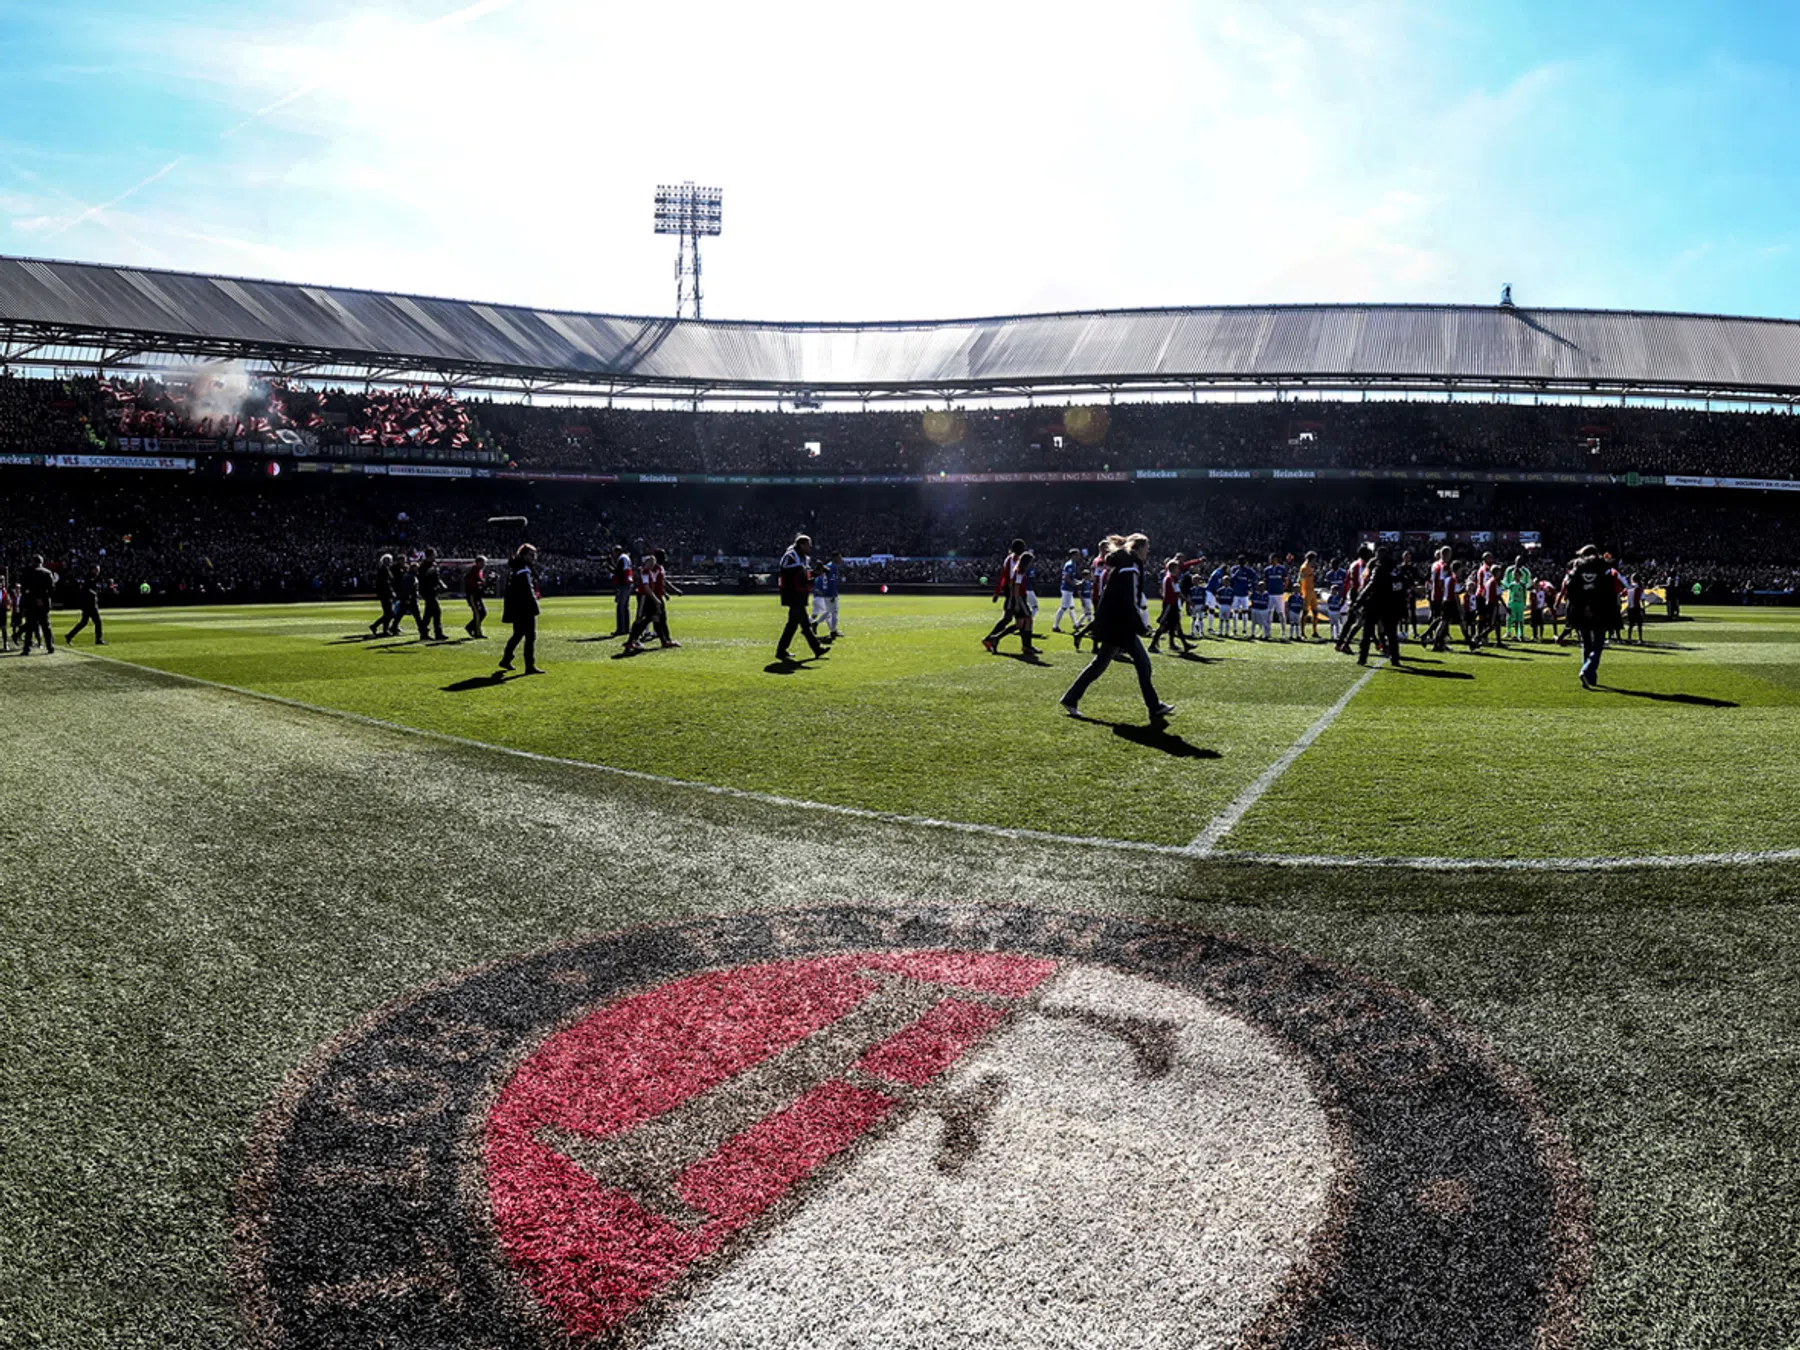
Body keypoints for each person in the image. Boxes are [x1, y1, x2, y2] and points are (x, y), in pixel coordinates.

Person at [1059, 535, 1174, 724]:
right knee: (1142, 663)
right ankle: (1154, 706)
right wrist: (1141, 626)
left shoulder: (1124, 564)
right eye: (1147, 547)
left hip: (1115, 621)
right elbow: (1130, 599)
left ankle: (1071, 698)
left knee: (1100, 664)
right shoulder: (1130, 567)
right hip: (1121, 623)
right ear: (1138, 548)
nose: (1148, 551)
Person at [1563, 545, 1621, 689]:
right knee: (1598, 644)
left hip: (1581, 611)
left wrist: (1581, 606)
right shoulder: (1604, 567)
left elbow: (1569, 588)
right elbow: (1609, 591)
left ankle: (1590, 678)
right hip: (1599, 610)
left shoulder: (1577, 567)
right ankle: (1587, 669)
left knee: (1586, 643)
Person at [776, 533, 827, 662]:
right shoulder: (791, 555)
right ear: (801, 544)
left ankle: (781, 651)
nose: (810, 548)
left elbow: (807, 575)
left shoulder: (803, 558)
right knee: (804, 623)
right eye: (808, 545)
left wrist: (815, 573)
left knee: (792, 624)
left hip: (800, 593)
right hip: (792, 593)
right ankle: (817, 648)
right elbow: (784, 568)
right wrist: (802, 569)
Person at [1358, 546, 1406, 666]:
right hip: (1392, 605)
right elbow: (1402, 587)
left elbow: (1371, 585)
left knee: (1367, 631)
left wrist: (1359, 601)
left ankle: (1362, 658)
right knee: (1392, 634)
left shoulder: (1379, 568)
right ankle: (1395, 658)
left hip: (1376, 602)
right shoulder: (1397, 570)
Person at [499, 543, 543, 674]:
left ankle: (506, 659)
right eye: (531, 554)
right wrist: (534, 606)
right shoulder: (523, 568)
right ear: (524, 555)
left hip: (517, 607)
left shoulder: (515, 567)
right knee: (530, 636)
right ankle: (529, 666)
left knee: (518, 634)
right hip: (525, 607)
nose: (534, 557)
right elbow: (527, 590)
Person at [982, 539, 1024, 652]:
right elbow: (1005, 577)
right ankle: (991, 638)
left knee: (1012, 619)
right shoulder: (1013, 559)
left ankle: (991, 638)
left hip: (1011, 591)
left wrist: (997, 592)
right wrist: (998, 592)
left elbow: (1003, 577)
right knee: (1013, 619)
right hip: (1012, 592)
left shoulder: (1009, 559)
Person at [1148, 556, 1194, 654]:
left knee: (1176, 624)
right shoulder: (1172, 578)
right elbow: (1177, 592)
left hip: (1170, 603)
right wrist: (1188, 601)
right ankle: (1152, 645)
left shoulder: (1167, 577)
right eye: (1177, 568)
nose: (1179, 570)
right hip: (1170, 604)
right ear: (1173, 568)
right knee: (1164, 625)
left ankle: (1185, 645)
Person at [18, 554, 55, 655]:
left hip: (31, 603)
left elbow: (23, 589)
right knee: (46, 626)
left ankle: (27, 649)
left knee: (30, 626)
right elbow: (52, 590)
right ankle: (50, 647)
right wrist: (43, 599)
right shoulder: (48, 573)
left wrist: (30, 600)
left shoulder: (27, 572)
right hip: (44, 603)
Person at [65, 564, 106, 646]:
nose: (98, 572)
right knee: (98, 622)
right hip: (90, 604)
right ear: (92, 570)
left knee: (84, 622)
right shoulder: (88, 578)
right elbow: (88, 590)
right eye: (96, 570)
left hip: (87, 604)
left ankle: (69, 635)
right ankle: (99, 639)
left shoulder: (91, 578)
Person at [1052, 549, 1087, 633]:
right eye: (1078, 555)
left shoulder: (1073, 564)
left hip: (1068, 589)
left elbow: (1071, 578)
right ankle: (1055, 626)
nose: (1079, 557)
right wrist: (1075, 584)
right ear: (1073, 555)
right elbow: (1067, 578)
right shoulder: (1070, 565)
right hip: (1066, 589)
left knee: (1071, 607)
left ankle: (1076, 624)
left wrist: (1078, 582)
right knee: (1063, 607)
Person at [418, 547, 448, 641]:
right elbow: (425, 577)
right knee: (437, 611)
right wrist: (433, 569)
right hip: (427, 591)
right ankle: (438, 633)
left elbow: (436, 577)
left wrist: (441, 584)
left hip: (433, 591)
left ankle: (423, 633)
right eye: (434, 554)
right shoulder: (423, 566)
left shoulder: (433, 564)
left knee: (428, 613)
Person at [1503, 554, 1533, 642]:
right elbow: (1505, 580)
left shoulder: (1526, 571)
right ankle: (1508, 631)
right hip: (1511, 595)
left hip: (1521, 595)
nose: (1518, 562)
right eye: (1517, 560)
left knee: (1520, 617)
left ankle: (1520, 633)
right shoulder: (1509, 570)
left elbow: (1529, 582)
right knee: (1510, 614)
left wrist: (1523, 586)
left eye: (1520, 560)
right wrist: (1511, 586)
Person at [812, 553, 842, 640]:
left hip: (827, 592)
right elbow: (832, 582)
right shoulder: (832, 567)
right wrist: (833, 594)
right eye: (839, 557)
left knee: (831, 612)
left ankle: (833, 630)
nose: (841, 559)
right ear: (835, 558)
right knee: (833, 612)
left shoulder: (828, 566)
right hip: (830, 593)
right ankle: (817, 624)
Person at [370, 553, 399, 636]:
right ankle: (377, 626)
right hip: (386, 594)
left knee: (388, 613)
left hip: (385, 593)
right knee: (390, 613)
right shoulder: (384, 569)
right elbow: (386, 583)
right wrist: (391, 592)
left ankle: (382, 629)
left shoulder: (383, 569)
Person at [394, 559, 423, 636]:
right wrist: (409, 598)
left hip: (407, 598)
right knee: (417, 615)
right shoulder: (411, 577)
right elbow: (408, 588)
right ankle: (422, 629)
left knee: (400, 614)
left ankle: (393, 627)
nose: (418, 569)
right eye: (416, 567)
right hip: (411, 599)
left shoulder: (408, 576)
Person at [612, 544, 635, 636]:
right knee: (625, 607)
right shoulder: (626, 557)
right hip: (628, 583)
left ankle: (621, 629)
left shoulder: (621, 558)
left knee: (620, 607)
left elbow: (617, 572)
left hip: (624, 584)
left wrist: (608, 566)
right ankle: (626, 628)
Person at [464, 555, 489, 638]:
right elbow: (471, 583)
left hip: (477, 595)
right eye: (483, 562)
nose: (484, 564)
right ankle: (477, 632)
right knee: (478, 614)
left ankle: (470, 627)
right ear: (478, 562)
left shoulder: (479, 571)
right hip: (473, 595)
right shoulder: (473, 571)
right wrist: (481, 584)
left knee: (483, 612)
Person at [1623, 573, 1647, 643]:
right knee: (1639, 624)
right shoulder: (1639, 588)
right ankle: (1640, 638)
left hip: (1630, 607)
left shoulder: (1628, 587)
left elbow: (1623, 594)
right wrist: (1643, 608)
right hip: (1637, 607)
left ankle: (1629, 638)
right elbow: (1642, 598)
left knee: (1631, 623)